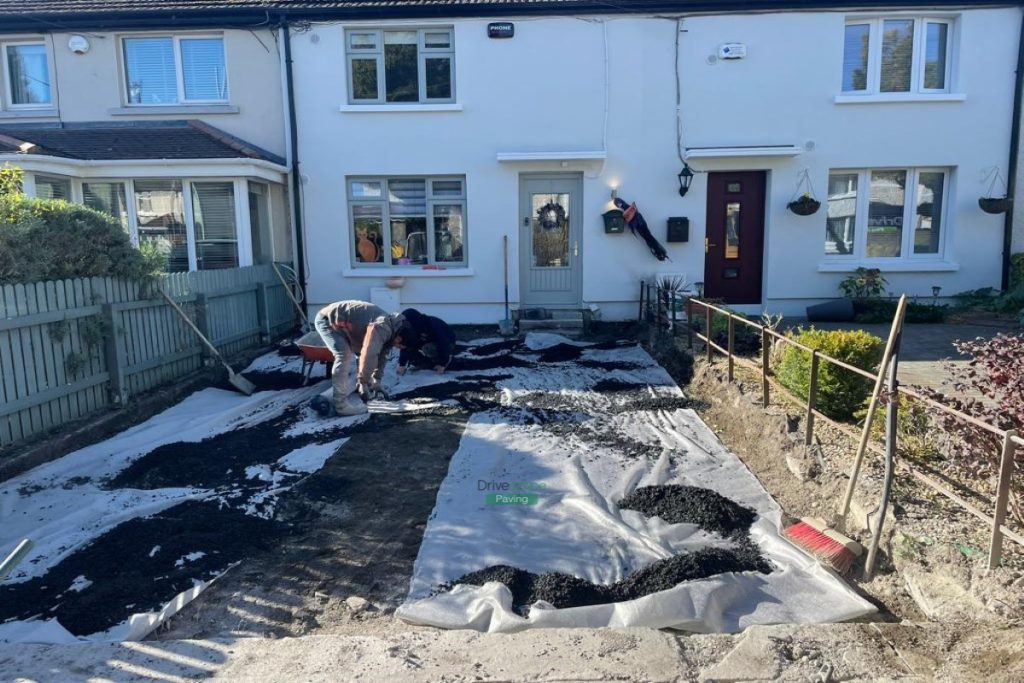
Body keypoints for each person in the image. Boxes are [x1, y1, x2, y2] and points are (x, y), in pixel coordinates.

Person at [313, 300, 412, 416]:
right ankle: (340, 405)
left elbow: (381, 356)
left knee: (362, 355)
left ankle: (359, 386)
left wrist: (376, 381)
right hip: (328, 321)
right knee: (344, 355)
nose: (397, 347)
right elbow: (370, 354)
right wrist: (363, 382)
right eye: (399, 345)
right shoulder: (382, 327)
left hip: (349, 324)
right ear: (399, 338)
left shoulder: (393, 330)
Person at [396, 308, 457, 375]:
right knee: (412, 355)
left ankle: (444, 360)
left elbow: (443, 343)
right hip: (429, 340)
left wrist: (443, 364)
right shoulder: (413, 328)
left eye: (407, 323)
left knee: (428, 348)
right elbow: (407, 344)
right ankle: (431, 363)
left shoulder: (433, 324)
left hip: (448, 341)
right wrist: (402, 364)